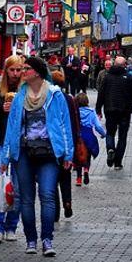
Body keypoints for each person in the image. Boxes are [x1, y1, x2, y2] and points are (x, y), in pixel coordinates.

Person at [0, 56, 74, 257]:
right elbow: (12, 128)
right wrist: (5, 157)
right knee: (26, 198)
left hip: (48, 152)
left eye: (27, 69)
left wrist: (68, 153)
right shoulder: (19, 98)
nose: (23, 72)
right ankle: (31, 239)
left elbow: (64, 126)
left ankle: (47, 239)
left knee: (48, 195)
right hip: (24, 152)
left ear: (38, 72)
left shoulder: (54, 95)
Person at [0, 55, 23, 243]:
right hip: (0, 142)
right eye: (12, 70)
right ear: (6, 70)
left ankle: (12, 226)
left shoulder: (26, 91)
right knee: (0, 182)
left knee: (17, 185)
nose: (15, 74)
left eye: (18, 70)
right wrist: (3, 109)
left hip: (21, 144)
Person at [95, 55, 132, 170]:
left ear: (114, 65)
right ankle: (118, 162)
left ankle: (110, 148)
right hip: (125, 111)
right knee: (122, 136)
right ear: (124, 65)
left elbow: (101, 94)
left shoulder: (107, 77)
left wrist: (98, 109)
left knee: (110, 133)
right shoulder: (129, 78)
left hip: (110, 109)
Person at [51, 69, 81, 219]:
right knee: (65, 175)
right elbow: (76, 121)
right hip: (68, 142)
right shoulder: (70, 99)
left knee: (52, 178)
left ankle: (55, 210)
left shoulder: (49, 98)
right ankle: (67, 202)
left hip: (54, 143)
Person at [74, 92, 105, 186]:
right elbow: (98, 126)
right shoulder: (91, 112)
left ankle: (79, 179)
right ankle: (86, 170)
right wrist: (103, 134)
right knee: (88, 155)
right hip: (89, 136)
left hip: (78, 136)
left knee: (78, 156)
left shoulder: (75, 112)